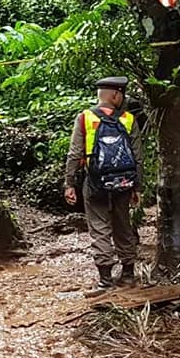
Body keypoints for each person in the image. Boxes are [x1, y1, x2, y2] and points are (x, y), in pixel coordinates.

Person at [64, 76, 142, 292]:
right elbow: (137, 157)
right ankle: (127, 275)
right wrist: (137, 187)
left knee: (99, 227)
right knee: (123, 224)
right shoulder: (128, 119)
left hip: (95, 182)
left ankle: (105, 279)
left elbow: (74, 154)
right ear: (116, 95)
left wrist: (69, 183)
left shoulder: (85, 118)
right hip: (124, 183)